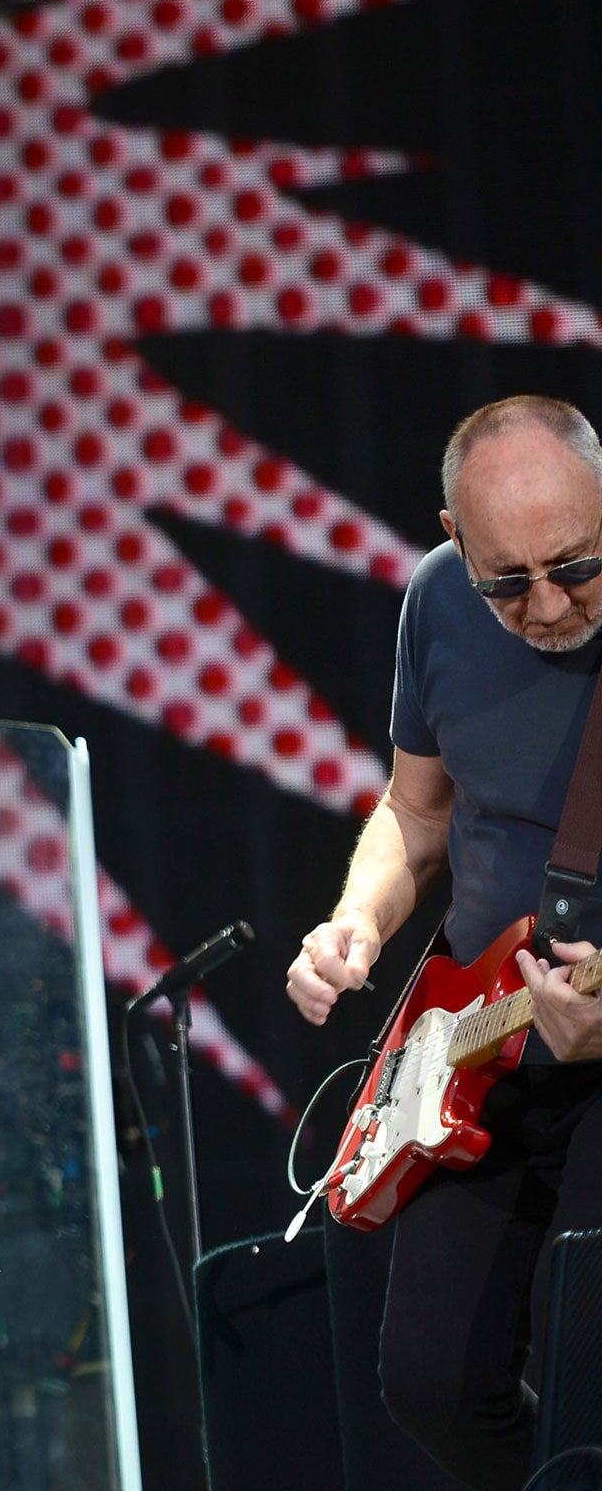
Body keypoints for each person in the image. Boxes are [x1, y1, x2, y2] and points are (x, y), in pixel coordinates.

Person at [287, 395, 602, 1491]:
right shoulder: (433, 601)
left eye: (574, 566)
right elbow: (415, 813)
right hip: (471, 1044)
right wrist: (356, 920)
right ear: (449, 539)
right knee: (428, 1387)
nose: (546, 603)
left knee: (585, 1363)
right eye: (504, 580)